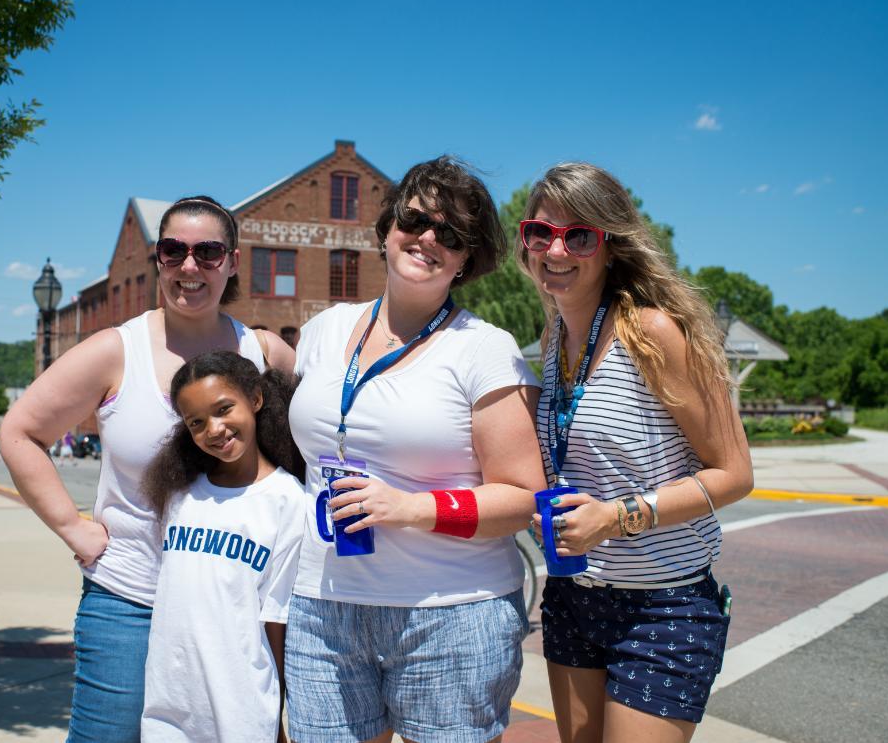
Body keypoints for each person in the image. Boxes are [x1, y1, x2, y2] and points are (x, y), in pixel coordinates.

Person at [0, 196, 295, 743]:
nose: (190, 267)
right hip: (131, 599)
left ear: (232, 262)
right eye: (173, 251)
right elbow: (18, 432)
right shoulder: (116, 350)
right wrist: (73, 527)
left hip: (233, 603)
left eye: (208, 252)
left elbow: (298, 456)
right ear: (158, 260)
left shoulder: (266, 354)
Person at [285, 156, 548, 743]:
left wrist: (409, 508)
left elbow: (523, 498)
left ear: (464, 262)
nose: (428, 238)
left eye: (451, 235)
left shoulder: (485, 349)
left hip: (451, 614)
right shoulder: (325, 330)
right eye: (415, 219)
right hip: (322, 607)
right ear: (387, 228)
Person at [522, 163, 753, 743]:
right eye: (540, 231)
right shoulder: (555, 340)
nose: (556, 249)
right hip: (573, 595)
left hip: (664, 607)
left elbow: (735, 474)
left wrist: (616, 516)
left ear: (609, 245)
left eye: (579, 235)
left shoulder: (653, 332)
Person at [139, 351, 306, 743]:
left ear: (256, 399)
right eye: (197, 422)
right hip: (169, 706)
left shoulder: (288, 500)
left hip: (242, 709)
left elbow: (276, 622)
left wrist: (280, 714)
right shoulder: (180, 495)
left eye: (223, 409)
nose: (213, 429)